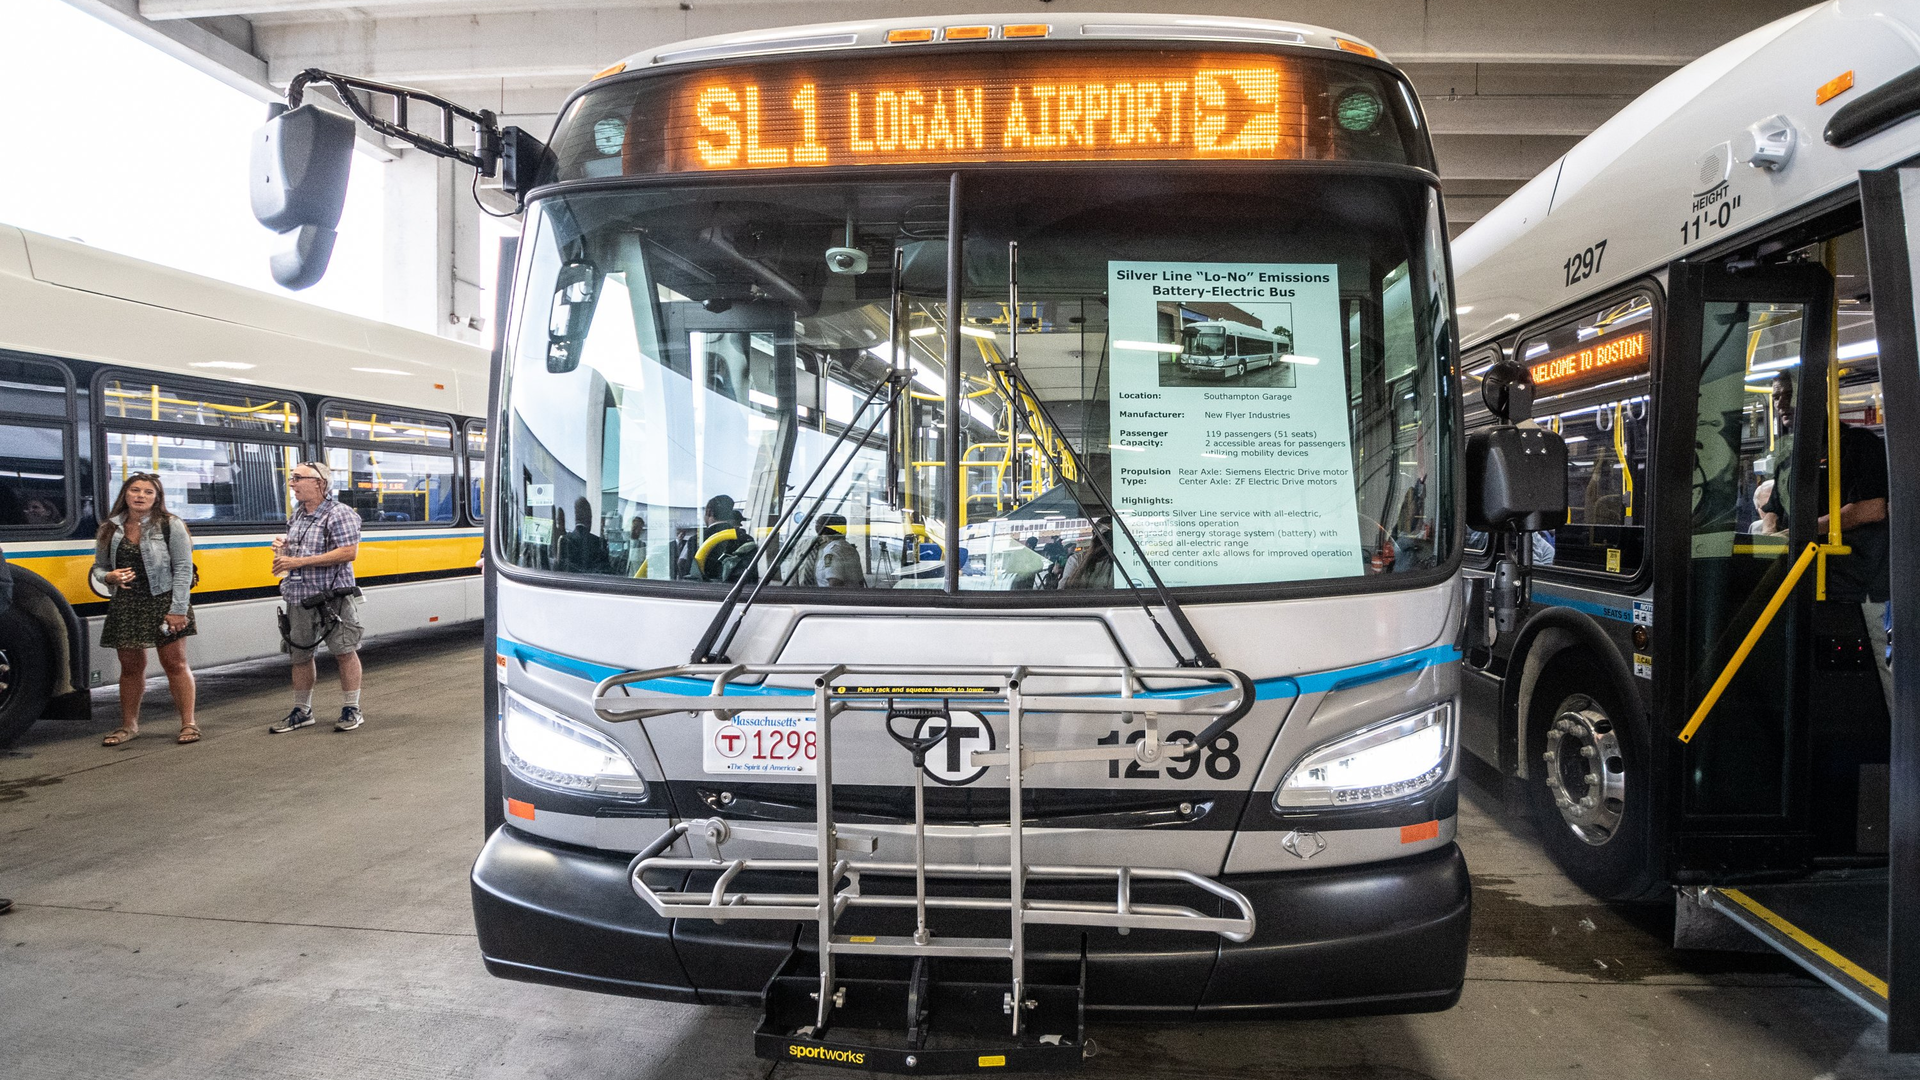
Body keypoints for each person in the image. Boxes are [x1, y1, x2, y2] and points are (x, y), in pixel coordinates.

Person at [1765, 373, 1892, 709]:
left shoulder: (1859, 445)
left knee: (1874, 678)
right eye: (1777, 396)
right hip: (1801, 580)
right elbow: (1772, 511)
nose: (1782, 404)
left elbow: (1871, 508)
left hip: (1854, 582)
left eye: (1789, 394)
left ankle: (1897, 752)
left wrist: (1800, 533)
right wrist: (1769, 539)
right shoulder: (1788, 455)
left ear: (1818, 396)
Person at [90, 473, 199, 746]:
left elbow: (184, 569)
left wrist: (178, 609)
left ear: (157, 498)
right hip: (126, 603)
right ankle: (129, 726)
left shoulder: (170, 525)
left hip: (164, 600)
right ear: (125, 494)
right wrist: (109, 577)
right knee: (130, 668)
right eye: (135, 490)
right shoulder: (109, 528)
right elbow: (98, 567)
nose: (141, 496)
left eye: (148, 492)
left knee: (175, 663)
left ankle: (189, 723)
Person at [269, 462, 367, 733]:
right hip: (299, 595)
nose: (292, 483)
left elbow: (348, 552)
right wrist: (283, 550)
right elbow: (297, 554)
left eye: (299, 478)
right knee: (299, 654)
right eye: (292, 478)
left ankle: (351, 708)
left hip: (332, 597)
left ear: (320, 483)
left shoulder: (339, 514)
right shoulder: (298, 515)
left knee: (345, 651)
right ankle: (302, 710)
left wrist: (299, 562)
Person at [790, 513, 865, 587]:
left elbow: (835, 583)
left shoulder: (833, 550)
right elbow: (793, 575)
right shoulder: (804, 545)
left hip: (825, 596)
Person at [554, 497, 613, 574]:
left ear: (576, 517)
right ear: (589, 518)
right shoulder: (600, 543)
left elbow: (558, 570)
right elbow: (606, 572)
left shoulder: (564, 541)